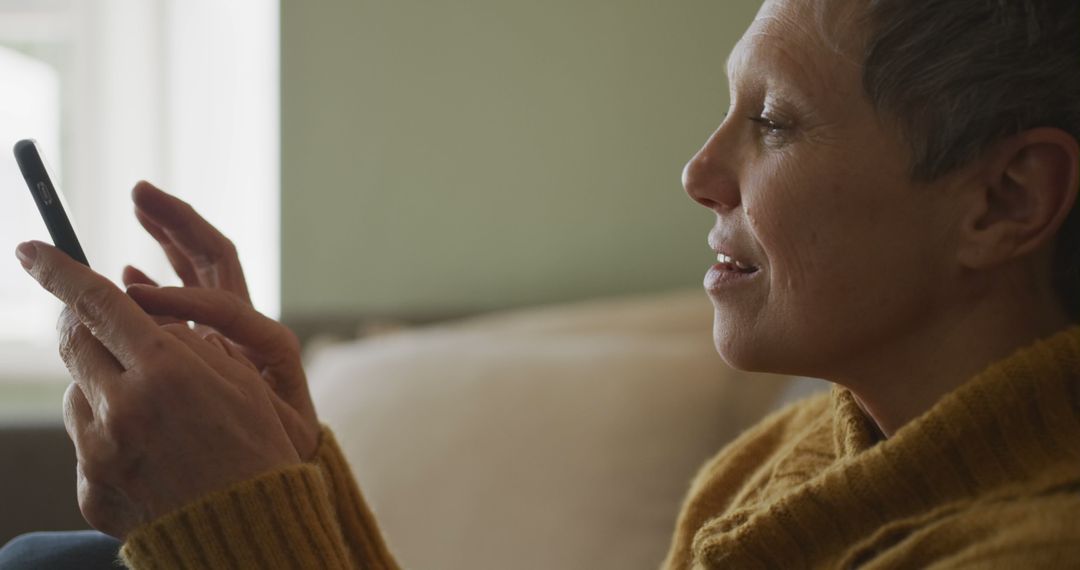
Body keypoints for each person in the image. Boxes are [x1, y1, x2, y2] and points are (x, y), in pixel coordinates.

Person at [4, 0, 1080, 567]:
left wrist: (236, 526)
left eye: (775, 122)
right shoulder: (793, 462)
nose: (701, 174)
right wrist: (290, 475)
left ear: (1005, 200)